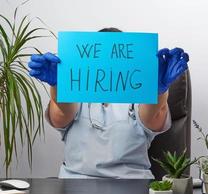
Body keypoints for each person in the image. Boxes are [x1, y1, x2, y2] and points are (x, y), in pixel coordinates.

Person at [28, 28, 189, 178]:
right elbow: (62, 113)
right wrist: (59, 85)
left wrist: (157, 91)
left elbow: (153, 116)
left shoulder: (137, 93)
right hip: (76, 185)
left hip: (130, 185)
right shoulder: (77, 90)